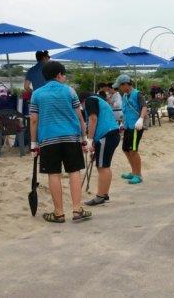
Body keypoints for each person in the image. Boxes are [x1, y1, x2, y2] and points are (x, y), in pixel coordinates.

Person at [29, 61, 91, 223]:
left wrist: (34, 144)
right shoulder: (70, 91)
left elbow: (34, 120)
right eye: (64, 75)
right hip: (71, 137)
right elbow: (80, 117)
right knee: (74, 171)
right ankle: (77, 210)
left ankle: (59, 213)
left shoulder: (37, 94)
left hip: (48, 139)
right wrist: (84, 138)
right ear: (58, 75)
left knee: (53, 173)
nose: (65, 77)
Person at [78, 92, 121, 206]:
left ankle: (100, 197)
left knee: (102, 167)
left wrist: (90, 140)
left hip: (105, 135)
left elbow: (93, 119)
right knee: (105, 165)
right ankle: (104, 194)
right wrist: (94, 143)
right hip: (112, 134)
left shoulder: (90, 100)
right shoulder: (100, 101)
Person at [114, 74, 147, 184]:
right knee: (125, 149)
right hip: (127, 125)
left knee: (133, 150)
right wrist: (122, 123)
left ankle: (138, 175)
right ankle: (133, 172)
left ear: (126, 84)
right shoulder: (124, 96)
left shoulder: (137, 94)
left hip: (136, 126)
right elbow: (125, 110)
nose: (120, 88)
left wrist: (141, 119)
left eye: (120, 86)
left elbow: (144, 107)